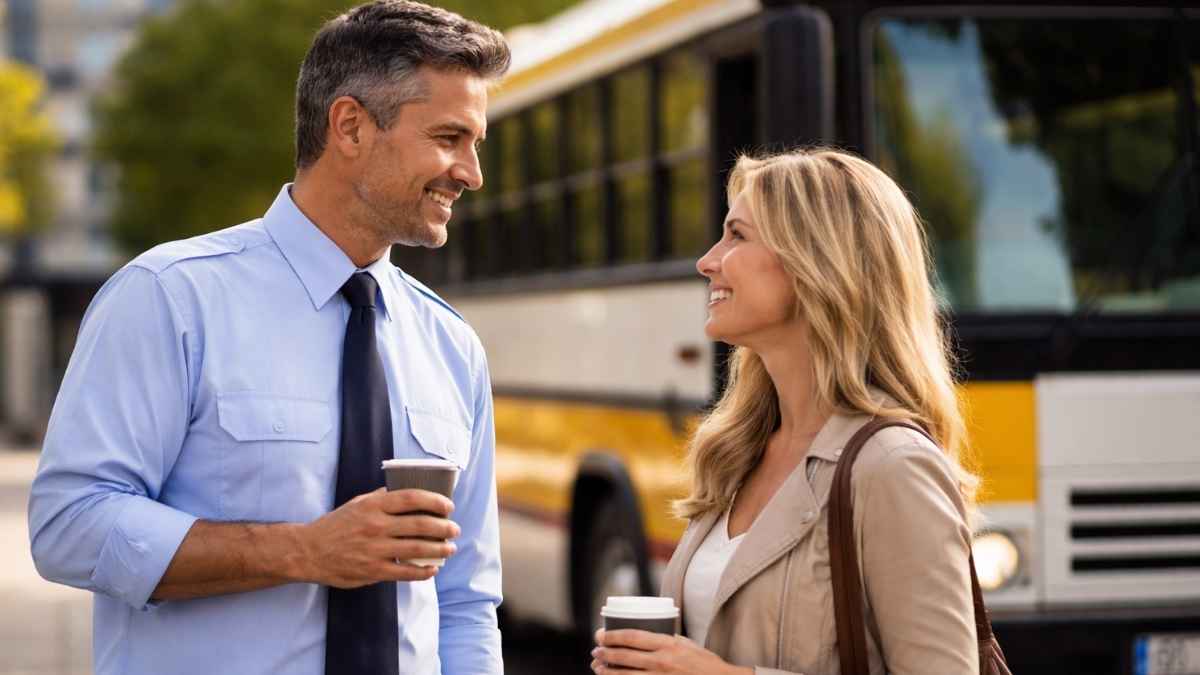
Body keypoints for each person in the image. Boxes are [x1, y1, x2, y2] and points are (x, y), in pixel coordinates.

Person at [27, 2, 509, 674]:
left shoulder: (453, 346)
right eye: (450, 137)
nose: (471, 172)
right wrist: (303, 551)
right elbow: (68, 526)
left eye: (474, 144)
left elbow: (464, 601)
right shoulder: (170, 298)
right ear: (349, 127)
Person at [591, 148, 981, 674]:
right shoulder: (739, 451)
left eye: (738, 235)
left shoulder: (893, 465)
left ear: (816, 261)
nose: (707, 261)